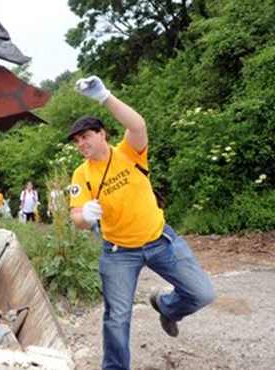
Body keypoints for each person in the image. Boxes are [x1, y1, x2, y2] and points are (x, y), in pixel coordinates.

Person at [67, 76, 215, 370]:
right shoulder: (80, 175)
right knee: (117, 317)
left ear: (102, 134)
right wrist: (87, 217)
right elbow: (76, 217)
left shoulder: (129, 152)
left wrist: (104, 96)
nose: (81, 143)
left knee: (203, 294)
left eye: (86, 136)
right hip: (119, 252)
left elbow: (138, 125)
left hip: (160, 241)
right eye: (77, 140)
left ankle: (166, 306)